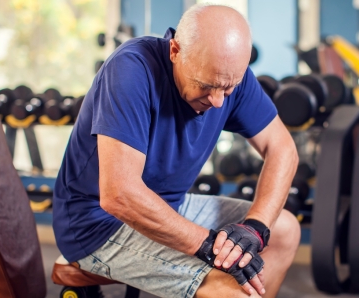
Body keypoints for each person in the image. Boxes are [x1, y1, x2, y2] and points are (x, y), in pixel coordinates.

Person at [52, 3, 300, 298]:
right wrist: (210, 246)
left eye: (228, 88)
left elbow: (283, 148)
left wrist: (254, 228)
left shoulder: (230, 75)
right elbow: (119, 195)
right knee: (233, 292)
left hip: (171, 205)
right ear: (175, 51)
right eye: (207, 85)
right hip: (97, 225)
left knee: (284, 227)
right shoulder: (132, 69)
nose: (219, 101)